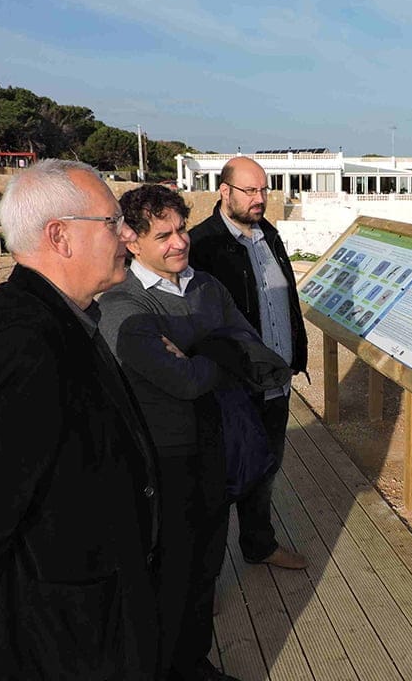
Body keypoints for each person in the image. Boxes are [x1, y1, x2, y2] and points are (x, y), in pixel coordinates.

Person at [0, 160, 160, 680]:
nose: (128, 235)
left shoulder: (57, 318)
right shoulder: (22, 341)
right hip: (58, 637)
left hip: (84, 616)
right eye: (114, 222)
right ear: (60, 236)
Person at [99, 184, 287, 681]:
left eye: (182, 229)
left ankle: (192, 662)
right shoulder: (122, 305)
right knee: (168, 574)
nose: (180, 242)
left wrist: (201, 353)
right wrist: (215, 352)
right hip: (162, 461)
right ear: (131, 241)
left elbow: (249, 348)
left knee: (205, 565)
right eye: (164, 235)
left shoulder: (205, 286)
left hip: (215, 446)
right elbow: (182, 381)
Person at [187, 157, 309, 570]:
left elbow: (284, 299)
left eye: (264, 190)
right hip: (232, 385)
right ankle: (208, 577)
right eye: (250, 191)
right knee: (220, 479)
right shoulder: (201, 245)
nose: (260, 199)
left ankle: (260, 545)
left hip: (274, 380)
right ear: (224, 191)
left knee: (265, 470)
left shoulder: (269, 236)